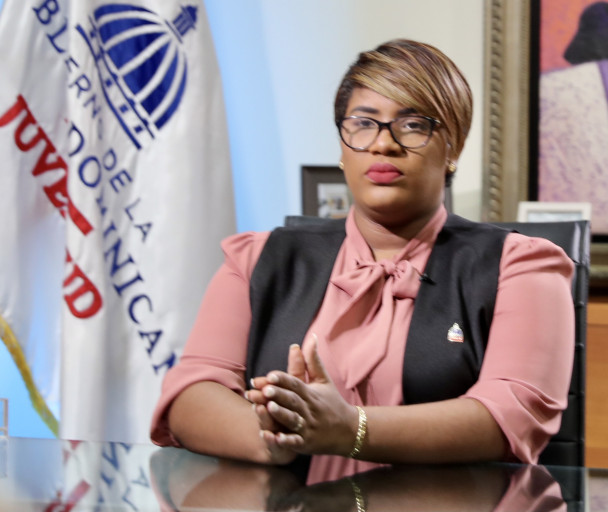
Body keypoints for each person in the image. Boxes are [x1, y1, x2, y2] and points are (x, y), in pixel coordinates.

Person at [150, 39, 575, 484]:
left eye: (413, 125)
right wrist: (274, 437)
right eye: (364, 123)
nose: (383, 144)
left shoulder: (522, 267)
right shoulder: (257, 259)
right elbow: (191, 394)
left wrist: (350, 430)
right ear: (342, 145)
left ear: (454, 147)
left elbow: (511, 414)